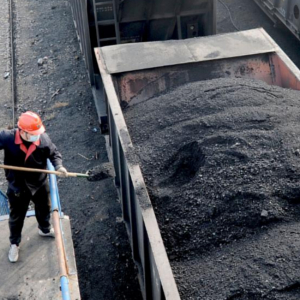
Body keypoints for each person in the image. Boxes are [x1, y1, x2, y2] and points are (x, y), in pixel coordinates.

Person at [0, 111, 68, 263]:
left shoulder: (42, 139)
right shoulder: (7, 137)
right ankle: (14, 244)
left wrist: (59, 167)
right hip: (17, 186)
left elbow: (54, 153)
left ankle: (44, 229)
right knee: (16, 217)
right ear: (22, 131)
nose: (36, 136)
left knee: (44, 208)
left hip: (39, 183)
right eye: (33, 133)